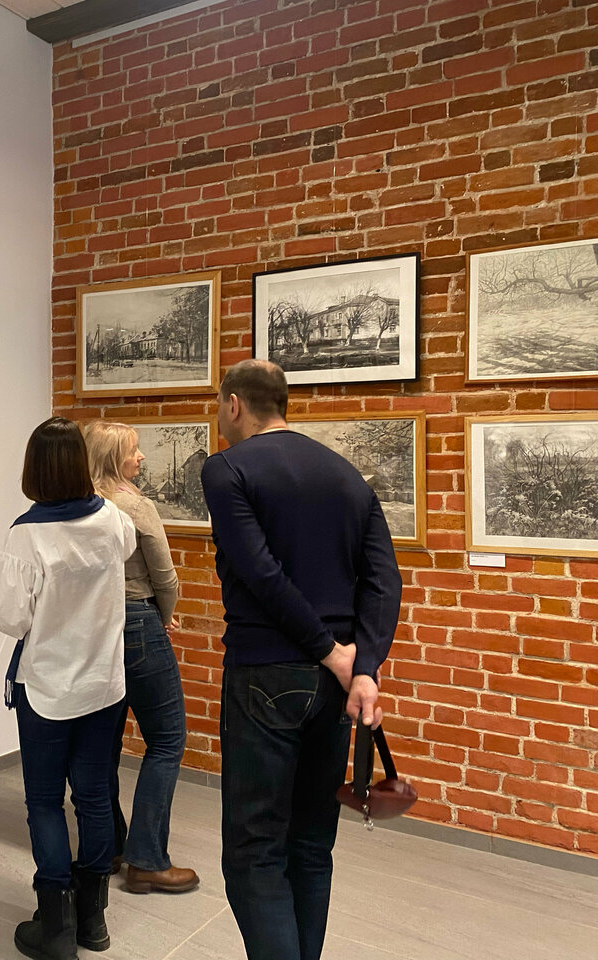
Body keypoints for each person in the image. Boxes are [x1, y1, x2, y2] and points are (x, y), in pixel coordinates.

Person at [201, 360, 402, 960]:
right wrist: (362, 667)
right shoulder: (346, 474)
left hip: (267, 674)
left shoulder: (226, 468)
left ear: (234, 405)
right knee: (311, 845)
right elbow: (384, 580)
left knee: (254, 852)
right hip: (334, 689)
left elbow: (260, 573)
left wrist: (334, 654)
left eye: (220, 405)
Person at [0, 417, 136, 960]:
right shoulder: (112, 519)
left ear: (34, 469)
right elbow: (125, 549)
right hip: (104, 685)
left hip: (46, 688)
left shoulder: (27, 535)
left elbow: (8, 616)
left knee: (45, 802)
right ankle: (94, 919)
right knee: (94, 797)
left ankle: (56, 926)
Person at [82, 420, 198, 895]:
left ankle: (108, 846)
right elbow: (164, 576)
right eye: (133, 450)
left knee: (103, 741)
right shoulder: (135, 506)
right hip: (137, 621)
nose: (142, 457)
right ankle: (147, 859)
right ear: (115, 458)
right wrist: (164, 615)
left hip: (92, 628)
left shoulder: (76, 503)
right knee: (167, 740)